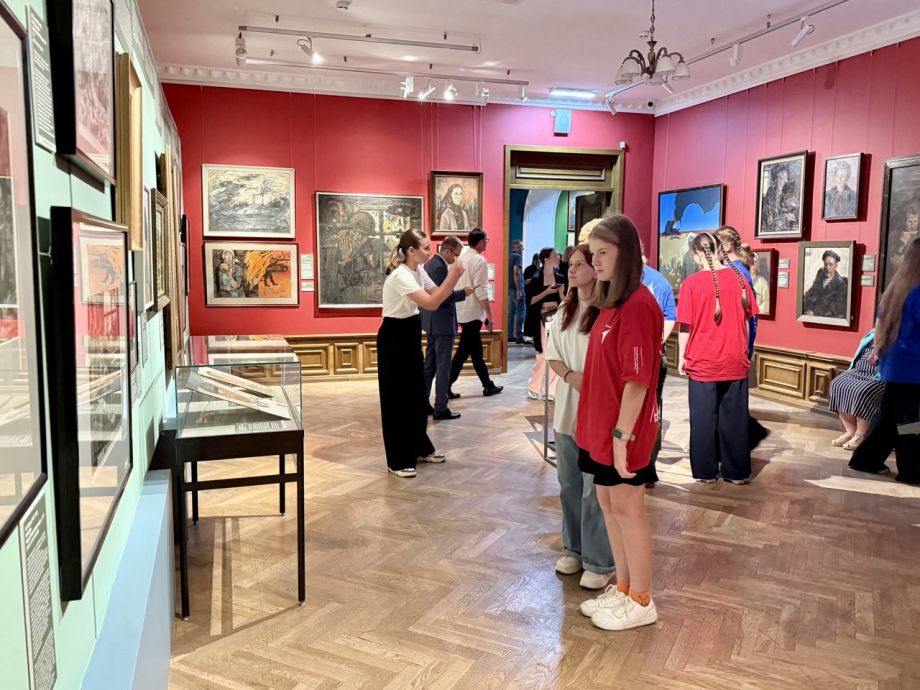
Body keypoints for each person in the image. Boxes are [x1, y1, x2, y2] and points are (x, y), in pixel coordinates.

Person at [574, 214, 662, 632]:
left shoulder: (640, 305)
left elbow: (637, 380)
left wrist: (622, 436)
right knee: (609, 505)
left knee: (628, 508)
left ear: (624, 253)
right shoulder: (612, 303)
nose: (596, 262)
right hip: (603, 428)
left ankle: (641, 598)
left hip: (623, 430)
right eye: (593, 254)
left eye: (603, 253)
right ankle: (625, 587)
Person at [545, 244, 614, 590]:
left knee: (594, 489)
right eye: (570, 264)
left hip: (599, 411)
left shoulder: (608, 313)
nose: (571, 270)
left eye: (579, 264)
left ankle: (599, 559)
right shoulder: (564, 313)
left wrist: (592, 382)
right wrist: (573, 378)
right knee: (569, 484)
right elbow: (553, 356)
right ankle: (573, 547)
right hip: (568, 408)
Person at [377, 229, 464, 478]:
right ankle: (396, 461)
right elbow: (431, 303)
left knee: (416, 395)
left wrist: (452, 279)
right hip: (394, 336)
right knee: (396, 400)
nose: (430, 252)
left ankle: (420, 448)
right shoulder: (400, 275)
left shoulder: (418, 270)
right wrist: (453, 276)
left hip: (410, 332)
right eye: (425, 248)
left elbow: (437, 293)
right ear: (411, 251)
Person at [677, 232, 757, 483]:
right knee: (735, 419)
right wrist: (744, 351)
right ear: (719, 250)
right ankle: (736, 472)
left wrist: (681, 357)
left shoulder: (691, 284)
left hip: (703, 360)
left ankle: (706, 472)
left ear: (696, 253)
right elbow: (748, 321)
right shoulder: (740, 279)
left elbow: (686, 326)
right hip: (734, 358)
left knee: (703, 420)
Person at [849, 237, 920, 484]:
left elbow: (880, 323)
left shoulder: (895, 288)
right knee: (911, 422)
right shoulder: (918, 290)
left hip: (895, 363)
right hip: (913, 367)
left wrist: (879, 350)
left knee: (890, 417)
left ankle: (865, 459)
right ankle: (911, 471)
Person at [715, 227, 770, 451]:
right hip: (737, 345)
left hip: (733, 347)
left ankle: (744, 439)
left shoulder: (734, 272)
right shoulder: (739, 270)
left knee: (730, 401)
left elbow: (742, 315)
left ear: (727, 246)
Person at [422, 236, 472, 421]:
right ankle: (440, 408)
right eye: (456, 255)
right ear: (447, 251)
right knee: (443, 367)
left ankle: (423, 404)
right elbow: (441, 296)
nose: (456, 259)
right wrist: (463, 293)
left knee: (430, 365)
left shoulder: (430, 265)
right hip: (441, 323)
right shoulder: (439, 267)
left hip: (432, 322)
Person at [449, 228, 504, 398]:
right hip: (472, 312)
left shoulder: (462, 255)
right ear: (480, 242)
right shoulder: (479, 260)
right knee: (464, 352)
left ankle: (487, 384)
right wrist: (490, 317)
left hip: (459, 309)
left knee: (475, 351)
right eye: (486, 240)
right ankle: (446, 385)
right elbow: (481, 291)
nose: (487, 243)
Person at [640, 254, 676, 486]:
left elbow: (670, 315)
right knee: (653, 409)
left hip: (644, 356)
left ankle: (641, 465)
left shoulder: (622, 280)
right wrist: (658, 341)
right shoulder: (660, 280)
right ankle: (647, 468)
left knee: (647, 409)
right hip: (654, 354)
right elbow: (670, 316)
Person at [828, 330, 884, 451]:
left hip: (880, 376)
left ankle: (860, 435)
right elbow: (860, 352)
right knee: (837, 385)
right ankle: (850, 432)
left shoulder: (900, 336)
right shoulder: (873, 333)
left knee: (862, 392)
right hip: (858, 371)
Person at [525, 247, 564, 400]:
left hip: (556, 318)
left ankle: (551, 389)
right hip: (541, 319)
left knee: (556, 353)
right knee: (543, 354)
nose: (558, 258)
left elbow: (564, 299)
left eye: (558, 255)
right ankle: (534, 386)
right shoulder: (536, 278)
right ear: (546, 260)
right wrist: (547, 292)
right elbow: (531, 301)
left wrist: (561, 293)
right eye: (555, 256)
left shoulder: (560, 277)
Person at [803, 250, 848, 318]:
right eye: (825, 264)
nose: (827, 267)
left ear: (836, 265)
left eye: (830, 264)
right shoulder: (820, 275)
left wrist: (814, 312)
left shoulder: (841, 284)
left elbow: (835, 308)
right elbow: (810, 293)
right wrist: (806, 307)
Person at [761, 163, 800, 233]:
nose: (780, 181)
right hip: (772, 224)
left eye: (783, 178)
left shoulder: (791, 189)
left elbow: (796, 207)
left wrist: (791, 213)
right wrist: (769, 215)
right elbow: (766, 206)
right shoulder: (771, 189)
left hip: (787, 224)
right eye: (778, 178)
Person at [507, 240, 526, 344]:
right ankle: (519, 335)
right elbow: (516, 272)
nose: (522, 249)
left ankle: (509, 335)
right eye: (521, 247)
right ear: (517, 247)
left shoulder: (508, 257)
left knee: (510, 312)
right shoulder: (517, 257)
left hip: (509, 289)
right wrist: (519, 290)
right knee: (520, 311)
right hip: (516, 289)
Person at [750, 250, 770, 315]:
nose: (754, 264)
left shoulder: (763, 282)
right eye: (751, 262)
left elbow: (765, 305)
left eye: (755, 262)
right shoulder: (742, 280)